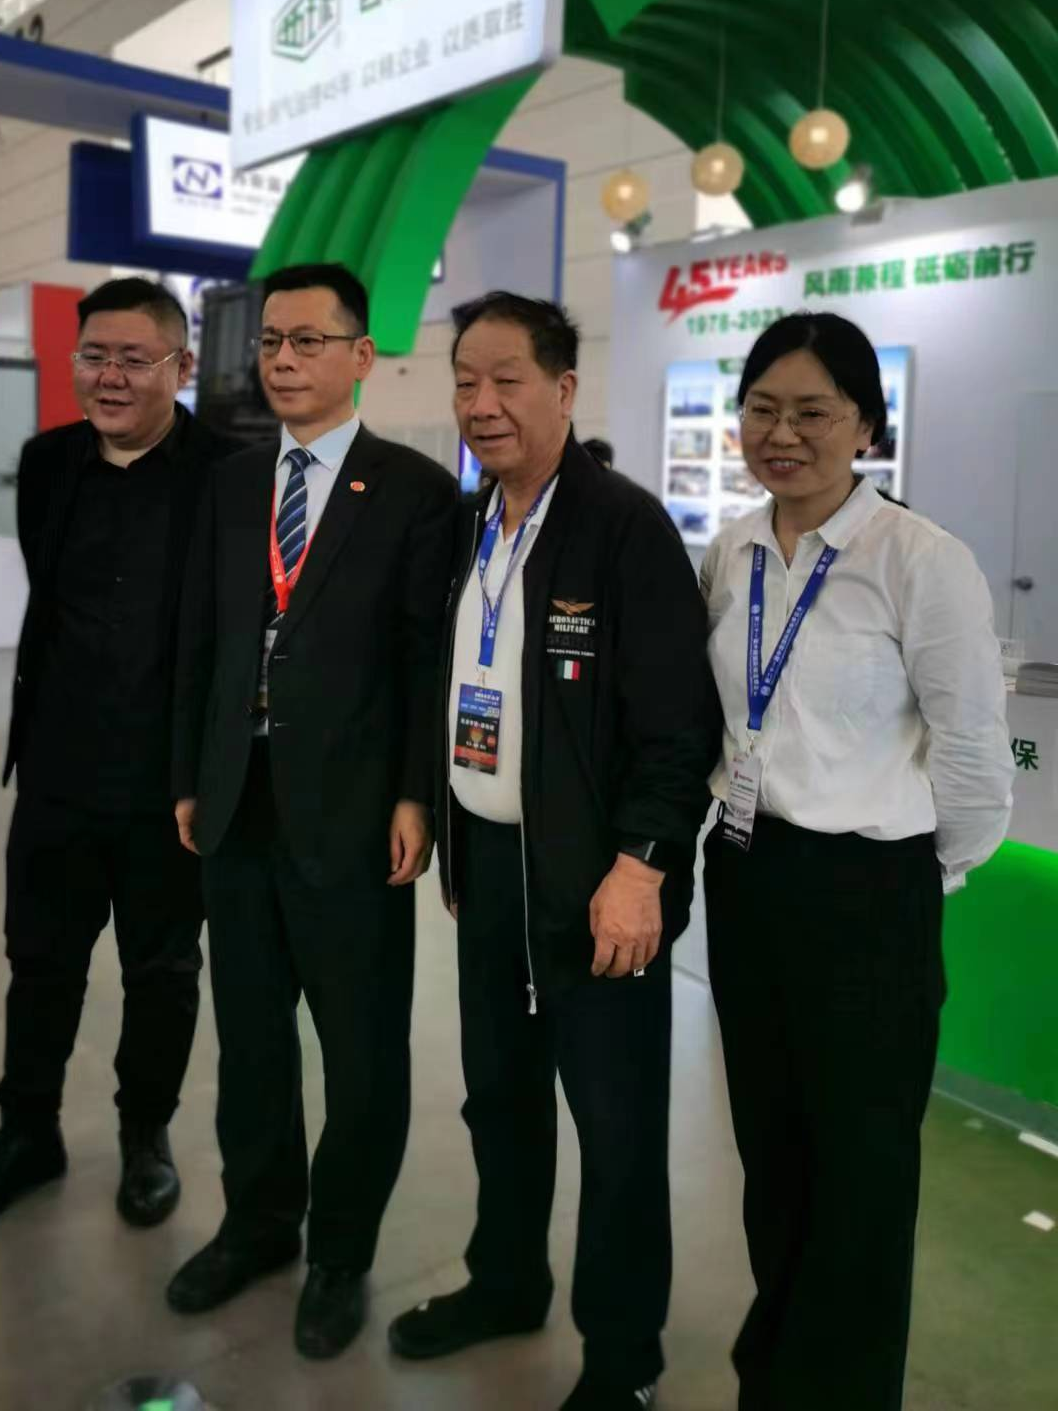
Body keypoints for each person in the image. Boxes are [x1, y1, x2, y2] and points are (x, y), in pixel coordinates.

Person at [389, 293, 721, 1411]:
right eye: (464, 382)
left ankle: (622, 1359)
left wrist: (640, 866)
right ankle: (505, 1281)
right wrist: (436, 813)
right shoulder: (464, 526)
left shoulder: (624, 529)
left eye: (506, 380)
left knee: (616, 1132)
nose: (480, 403)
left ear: (564, 389)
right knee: (500, 1099)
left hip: (597, 891)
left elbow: (678, 729)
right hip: (488, 870)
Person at [698, 312, 1014, 1411]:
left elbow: (972, 755)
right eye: (761, 409)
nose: (781, 434)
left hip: (870, 894)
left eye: (812, 412)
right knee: (772, 1152)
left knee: (863, 1175)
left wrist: (913, 876)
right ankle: (775, 1370)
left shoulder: (919, 560)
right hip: (747, 875)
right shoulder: (732, 549)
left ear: (866, 426)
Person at [169, 263, 457, 1360]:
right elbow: (204, 637)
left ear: (359, 355)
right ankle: (257, 1222)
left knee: (360, 1048)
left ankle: (339, 1250)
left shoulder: (412, 488)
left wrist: (415, 793)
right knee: (250, 1040)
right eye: (271, 342)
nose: (282, 360)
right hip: (237, 805)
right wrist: (190, 774)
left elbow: (424, 657)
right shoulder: (234, 483)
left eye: (306, 341)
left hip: (352, 813)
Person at [0, 279, 232, 1239]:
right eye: (93, 356)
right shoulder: (48, 462)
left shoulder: (228, 475)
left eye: (135, 359)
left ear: (182, 367)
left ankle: (146, 1135)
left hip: (167, 790)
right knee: (40, 963)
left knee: (162, 972)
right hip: (57, 773)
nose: (110, 376)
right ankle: (26, 1133)